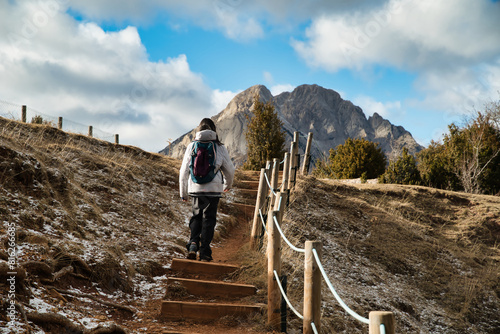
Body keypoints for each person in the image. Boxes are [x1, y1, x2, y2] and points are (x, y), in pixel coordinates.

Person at [179, 118, 235, 262]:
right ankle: (205, 253)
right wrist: (227, 185)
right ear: (213, 130)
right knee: (209, 219)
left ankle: (192, 244)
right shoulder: (219, 147)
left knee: (196, 216)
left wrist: (183, 192)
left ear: (199, 130)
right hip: (213, 189)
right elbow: (229, 170)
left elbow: (184, 171)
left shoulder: (192, 146)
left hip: (196, 188)